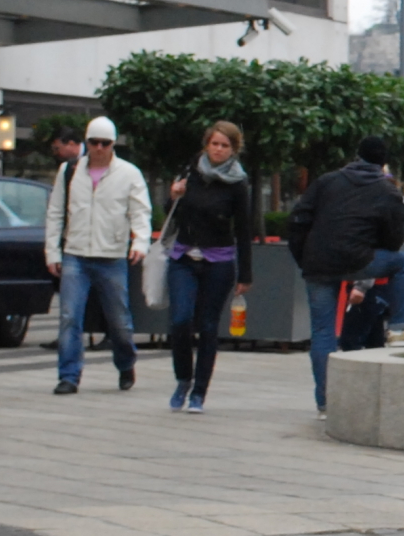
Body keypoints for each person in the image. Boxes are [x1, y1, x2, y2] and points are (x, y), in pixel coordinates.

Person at [287, 135, 404, 414]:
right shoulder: (388, 191)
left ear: (356, 155)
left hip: (318, 265)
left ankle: (325, 402)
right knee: (402, 262)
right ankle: (399, 328)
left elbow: (298, 219)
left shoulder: (326, 182)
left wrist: (304, 259)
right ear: (384, 161)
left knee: (322, 333)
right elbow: (395, 242)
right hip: (359, 261)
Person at [43, 115, 150, 395]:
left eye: (106, 143)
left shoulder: (128, 173)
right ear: (86, 143)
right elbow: (55, 213)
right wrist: (53, 251)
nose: (100, 148)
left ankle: (126, 362)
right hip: (75, 253)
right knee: (69, 316)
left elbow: (140, 212)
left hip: (111, 254)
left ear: (114, 144)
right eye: (94, 142)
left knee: (119, 320)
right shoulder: (69, 171)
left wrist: (140, 243)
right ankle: (69, 375)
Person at [164, 120, 253, 413]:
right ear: (206, 145)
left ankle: (199, 392)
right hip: (184, 257)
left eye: (224, 145)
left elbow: (243, 228)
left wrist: (245, 273)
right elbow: (171, 214)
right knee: (180, 321)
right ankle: (183, 379)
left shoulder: (238, 183)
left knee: (208, 326)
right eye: (214, 144)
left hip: (219, 261)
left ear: (233, 150)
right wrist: (173, 195)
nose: (218, 149)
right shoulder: (191, 172)